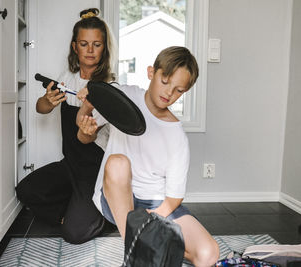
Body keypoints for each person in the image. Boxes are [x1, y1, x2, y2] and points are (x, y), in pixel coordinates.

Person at [76, 46, 220, 266]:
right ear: (151, 72)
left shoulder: (177, 136)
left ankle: (151, 245)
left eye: (178, 90)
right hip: (116, 198)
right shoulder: (124, 96)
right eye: (165, 81)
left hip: (156, 203)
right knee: (117, 162)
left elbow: (173, 197)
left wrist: (155, 217)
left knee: (208, 254)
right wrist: (85, 113)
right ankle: (136, 256)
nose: (169, 93)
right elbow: (84, 137)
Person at [15, 8, 116, 244]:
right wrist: (47, 101)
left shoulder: (111, 85)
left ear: (104, 48)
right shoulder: (66, 78)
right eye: (84, 43)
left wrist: (90, 104)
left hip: (96, 170)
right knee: (26, 190)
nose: (90, 50)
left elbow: (92, 135)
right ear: (74, 47)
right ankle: (74, 211)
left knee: (75, 234)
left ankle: (103, 215)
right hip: (70, 165)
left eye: (96, 44)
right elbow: (41, 108)